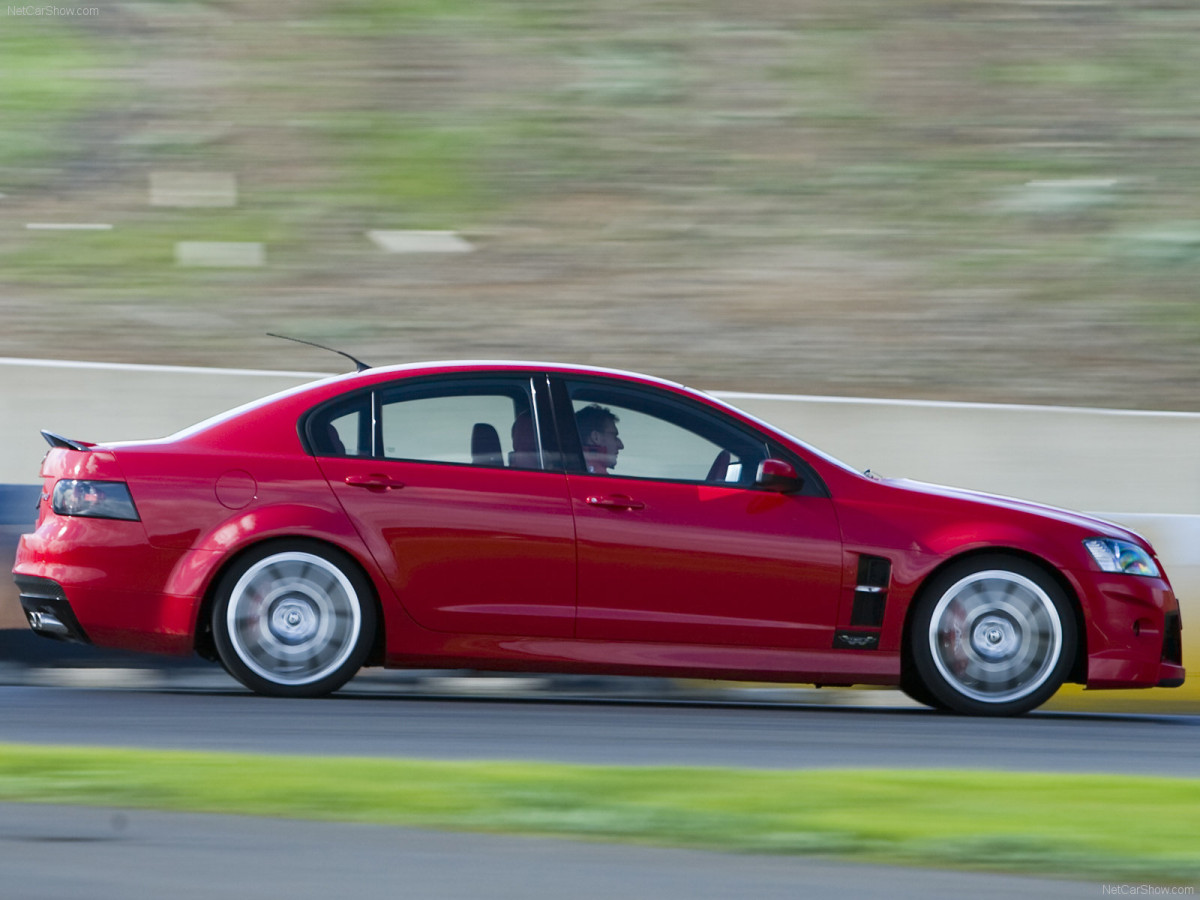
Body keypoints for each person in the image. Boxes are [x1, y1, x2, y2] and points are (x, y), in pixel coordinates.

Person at [575, 404, 623, 475]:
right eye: (614, 437)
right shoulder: (598, 476)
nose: (621, 445)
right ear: (596, 437)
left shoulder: (576, 468)